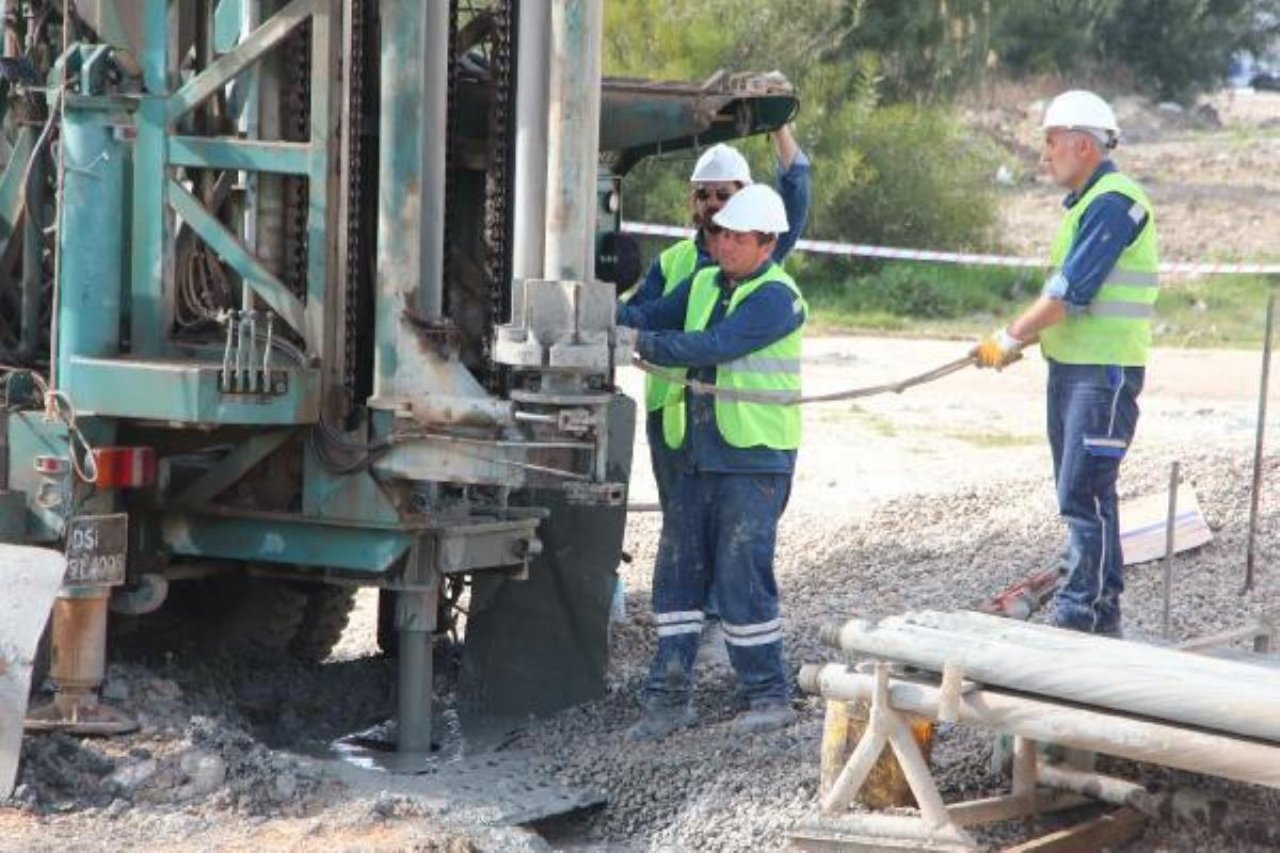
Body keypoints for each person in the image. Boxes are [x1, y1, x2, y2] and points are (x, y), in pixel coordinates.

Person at [617, 184, 806, 739]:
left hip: (752, 461)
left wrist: (637, 342)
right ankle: (668, 696)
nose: (722, 244)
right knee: (677, 573)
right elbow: (651, 315)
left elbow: (710, 344)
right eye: (720, 234)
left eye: (736, 237)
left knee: (741, 575)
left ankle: (769, 695)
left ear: (766, 245)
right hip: (695, 456)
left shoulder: (778, 298)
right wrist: (598, 308)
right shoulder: (701, 280)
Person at [970, 90, 1158, 636]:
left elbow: (1069, 293)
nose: (1045, 153)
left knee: (1085, 495)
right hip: (1080, 371)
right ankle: (1100, 620)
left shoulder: (1113, 202)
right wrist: (1018, 340)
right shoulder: (1091, 203)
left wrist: (1009, 336)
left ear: (1082, 144)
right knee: (1088, 494)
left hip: (1102, 375)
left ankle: (1079, 618)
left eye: (1051, 141)